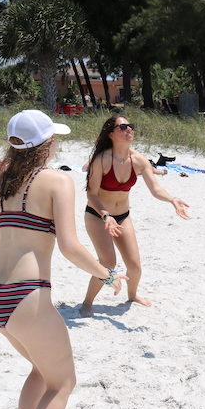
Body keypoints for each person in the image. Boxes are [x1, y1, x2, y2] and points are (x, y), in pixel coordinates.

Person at [0, 109, 128, 409]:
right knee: (63, 382)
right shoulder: (57, 182)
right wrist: (107, 274)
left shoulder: (4, 183)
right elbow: (70, 246)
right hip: (26, 296)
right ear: (47, 143)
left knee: (40, 369)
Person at [81, 115, 190, 317]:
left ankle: (132, 296)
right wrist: (106, 215)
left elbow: (156, 189)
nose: (129, 129)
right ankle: (87, 303)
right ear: (111, 134)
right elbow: (92, 194)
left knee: (135, 266)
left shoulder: (139, 160)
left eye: (130, 126)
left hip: (122, 216)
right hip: (98, 216)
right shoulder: (102, 159)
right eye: (123, 127)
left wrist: (172, 200)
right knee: (108, 262)